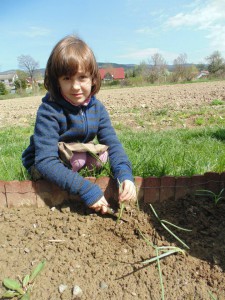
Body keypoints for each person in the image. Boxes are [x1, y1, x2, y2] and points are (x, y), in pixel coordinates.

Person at [22, 35, 136, 214]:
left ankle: (73, 171)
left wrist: (125, 176)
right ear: (56, 81)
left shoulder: (97, 108)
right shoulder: (49, 110)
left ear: (93, 79)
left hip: (74, 152)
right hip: (43, 160)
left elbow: (113, 144)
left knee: (102, 157)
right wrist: (86, 189)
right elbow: (45, 160)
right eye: (67, 78)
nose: (75, 86)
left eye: (82, 77)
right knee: (78, 160)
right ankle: (69, 178)